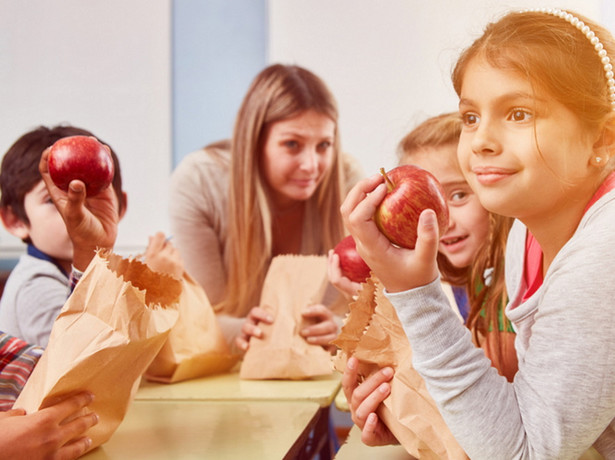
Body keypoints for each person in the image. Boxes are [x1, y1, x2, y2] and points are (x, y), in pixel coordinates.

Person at [340, 8, 615, 458]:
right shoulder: (522, 235)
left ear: (602, 141)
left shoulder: (604, 253)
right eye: (470, 117)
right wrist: (426, 417)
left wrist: (414, 291)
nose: (481, 140)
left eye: (519, 113)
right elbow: (530, 414)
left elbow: (523, 452)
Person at [170, 64, 363, 352]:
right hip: (224, 377)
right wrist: (242, 333)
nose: (311, 165)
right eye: (292, 144)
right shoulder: (199, 182)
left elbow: (367, 307)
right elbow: (200, 317)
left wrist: (342, 329)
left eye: (324, 145)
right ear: (255, 142)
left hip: (318, 377)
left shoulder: (345, 181)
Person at [330, 112, 517, 380]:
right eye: (426, 203)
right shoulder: (460, 284)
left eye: (459, 195)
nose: (444, 220)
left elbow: (482, 387)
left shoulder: (508, 287)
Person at [0, 125, 127, 347]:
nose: (78, 211)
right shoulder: (36, 284)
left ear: (120, 207)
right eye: (52, 200)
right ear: (15, 221)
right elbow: (78, 360)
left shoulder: (94, 272)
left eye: (94, 194)